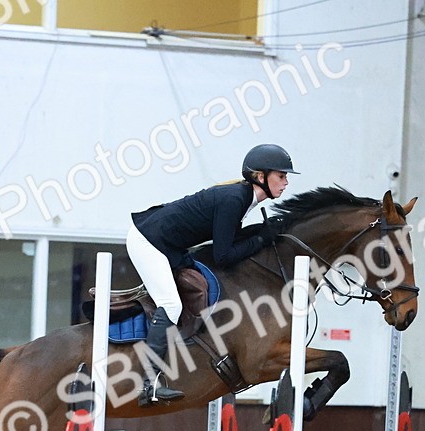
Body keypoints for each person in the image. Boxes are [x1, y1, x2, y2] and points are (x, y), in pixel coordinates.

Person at [127, 144, 297, 406]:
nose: (286, 183)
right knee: (171, 305)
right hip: (149, 241)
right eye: (281, 176)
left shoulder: (242, 197)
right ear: (261, 177)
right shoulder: (234, 199)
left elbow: (227, 239)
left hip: (169, 243)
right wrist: (262, 237)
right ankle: (147, 385)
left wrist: (261, 232)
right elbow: (224, 256)